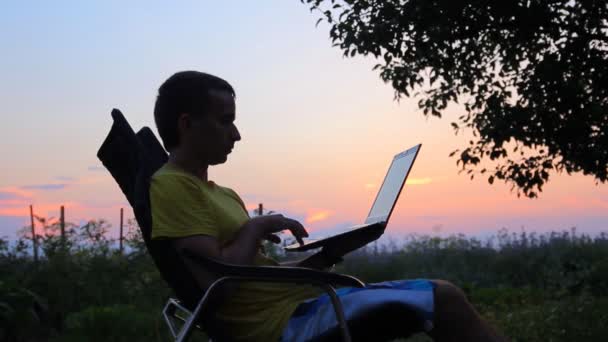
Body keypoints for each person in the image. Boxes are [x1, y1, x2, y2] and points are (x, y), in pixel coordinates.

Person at [149, 70, 507, 341]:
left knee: (438, 294)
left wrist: (323, 258)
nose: (236, 134)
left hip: (297, 305)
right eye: (226, 120)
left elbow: (254, 275)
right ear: (187, 124)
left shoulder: (221, 194)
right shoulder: (171, 185)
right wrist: (256, 227)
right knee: (443, 296)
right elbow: (220, 286)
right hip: (282, 325)